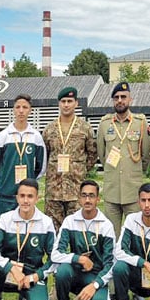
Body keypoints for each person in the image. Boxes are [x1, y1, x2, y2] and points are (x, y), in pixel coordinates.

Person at [50, 180, 115, 300]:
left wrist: (96, 284)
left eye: (91, 196)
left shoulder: (106, 225)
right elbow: (55, 254)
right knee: (62, 272)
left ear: (98, 199)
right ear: (79, 198)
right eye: (84, 195)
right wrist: (78, 259)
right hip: (75, 272)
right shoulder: (70, 221)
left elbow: (110, 263)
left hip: (94, 275)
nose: (87, 200)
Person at [97, 82, 150, 238]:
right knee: (110, 235)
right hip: (112, 188)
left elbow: (146, 154)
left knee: (134, 234)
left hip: (132, 189)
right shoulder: (104, 124)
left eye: (123, 97)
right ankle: (112, 262)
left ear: (130, 99)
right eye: (116, 98)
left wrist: (136, 172)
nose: (120, 100)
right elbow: (102, 154)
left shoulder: (140, 123)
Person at [42, 87, 97, 231]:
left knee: (77, 230)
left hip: (76, 190)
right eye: (63, 101)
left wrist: (79, 170)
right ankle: (54, 254)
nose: (66, 105)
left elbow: (92, 154)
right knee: (52, 231)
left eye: (70, 101)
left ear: (76, 103)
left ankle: (78, 254)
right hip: (54, 190)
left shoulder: (85, 128)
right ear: (59, 104)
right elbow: (45, 155)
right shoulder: (50, 129)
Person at [0, 94, 47, 223]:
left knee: (26, 231)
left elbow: (41, 166)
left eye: (25, 107)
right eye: (18, 107)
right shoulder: (3, 136)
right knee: (4, 231)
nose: (21, 110)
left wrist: (30, 181)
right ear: (13, 110)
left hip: (27, 196)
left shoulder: (36, 136)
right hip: (6, 195)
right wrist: (4, 181)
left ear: (30, 110)